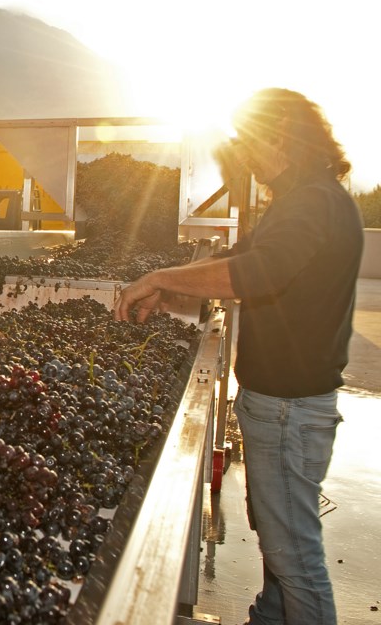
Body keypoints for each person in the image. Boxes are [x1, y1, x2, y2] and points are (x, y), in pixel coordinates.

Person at [115, 88, 362, 625]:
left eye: (251, 142)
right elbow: (240, 257)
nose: (245, 155)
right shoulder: (304, 200)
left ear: (281, 136)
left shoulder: (313, 202)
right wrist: (175, 288)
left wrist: (158, 277)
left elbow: (257, 273)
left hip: (289, 410)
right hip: (285, 406)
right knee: (281, 554)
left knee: (295, 561)